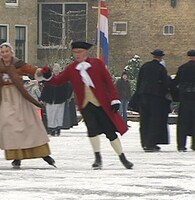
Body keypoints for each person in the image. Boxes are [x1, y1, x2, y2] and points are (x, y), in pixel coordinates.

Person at [37, 41, 133, 170]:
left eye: (79, 52)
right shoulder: (72, 69)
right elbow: (58, 81)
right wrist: (48, 76)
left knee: (110, 132)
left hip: (101, 104)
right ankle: (98, 158)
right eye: (75, 52)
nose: (77, 54)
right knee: (92, 131)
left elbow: (109, 82)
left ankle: (122, 157)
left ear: (86, 52)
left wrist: (115, 99)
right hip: (86, 105)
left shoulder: (97, 64)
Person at [0, 42, 55, 169]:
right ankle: (16, 157)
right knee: (10, 128)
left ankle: (43, 154)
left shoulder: (19, 64)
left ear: (11, 52)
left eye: (7, 51)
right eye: (2, 52)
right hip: (4, 99)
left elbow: (34, 71)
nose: (5, 54)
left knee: (29, 125)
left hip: (19, 97)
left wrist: (44, 71)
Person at [134, 49, 171, 152]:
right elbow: (165, 84)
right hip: (156, 97)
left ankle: (144, 142)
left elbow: (139, 81)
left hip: (143, 96)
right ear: (161, 57)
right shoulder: (161, 68)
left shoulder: (145, 66)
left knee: (144, 120)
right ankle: (151, 143)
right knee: (154, 120)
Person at [171, 50, 195, 152]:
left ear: (188, 57)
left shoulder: (183, 68)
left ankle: (181, 145)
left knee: (182, 123)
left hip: (185, 98)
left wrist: (176, 97)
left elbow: (175, 83)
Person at [40, 63, 71, 136]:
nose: (56, 71)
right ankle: (52, 129)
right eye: (55, 70)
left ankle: (58, 128)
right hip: (50, 100)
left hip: (60, 99)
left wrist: (66, 97)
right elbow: (45, 89)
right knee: (51, 114)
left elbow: (68, 88)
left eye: (57, 70)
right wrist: (43, 98)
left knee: (59, 114)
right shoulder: (49, 79)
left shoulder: (63, 79)